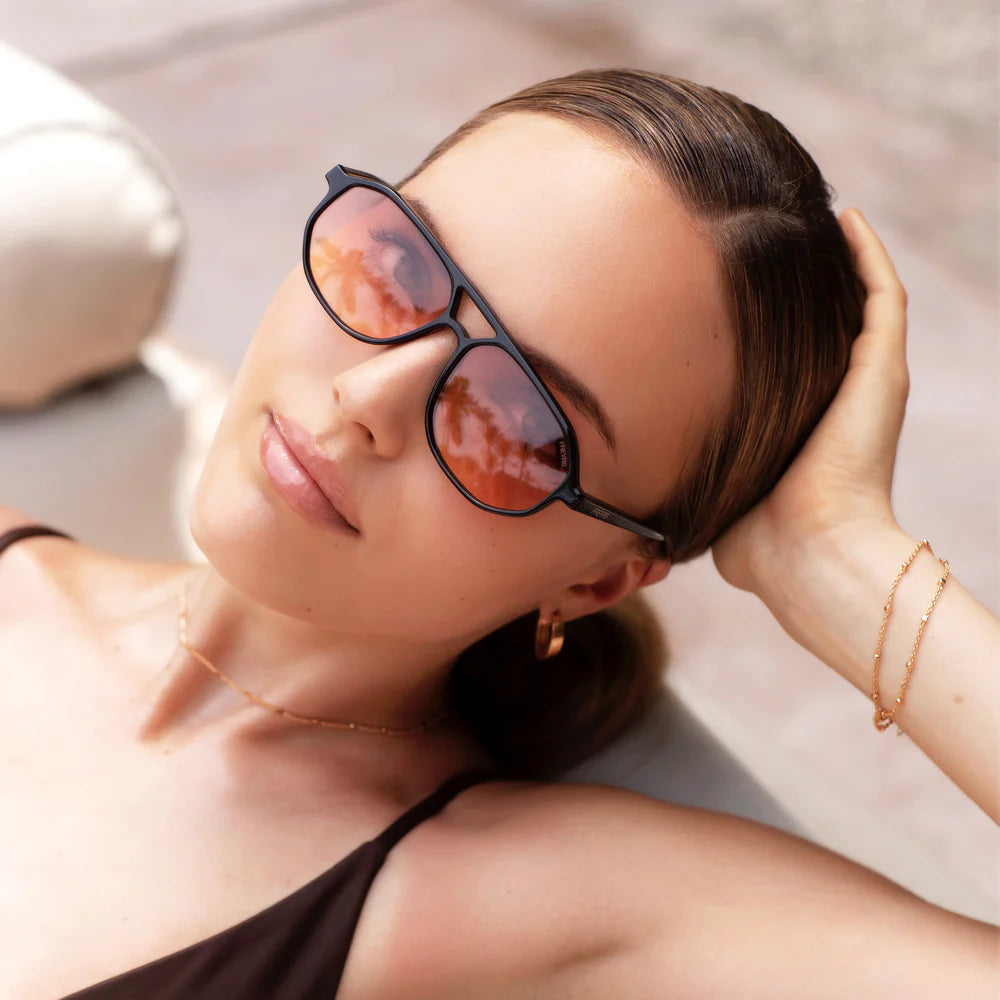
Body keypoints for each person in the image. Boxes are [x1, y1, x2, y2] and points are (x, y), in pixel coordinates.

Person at [3, 69, 997, 999]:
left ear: (597, 580)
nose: (367, 396)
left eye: (518, 422)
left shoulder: (499, 897)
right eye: (396, 264)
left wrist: (837, 558)